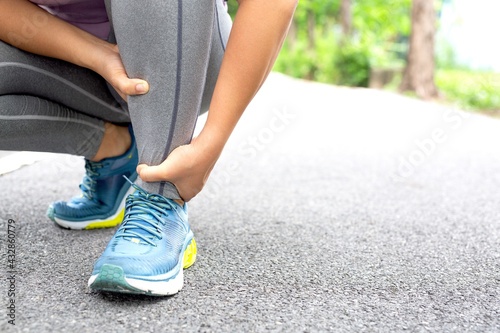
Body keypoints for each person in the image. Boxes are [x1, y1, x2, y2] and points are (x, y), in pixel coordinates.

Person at [0, 0, 296, 296]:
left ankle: (161, 194)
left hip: (191, 58)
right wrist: (99, 56)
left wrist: (210, 143)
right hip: (88, 68)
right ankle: (113, 148)